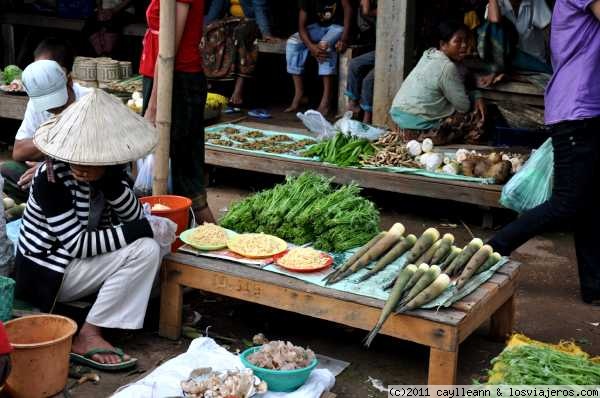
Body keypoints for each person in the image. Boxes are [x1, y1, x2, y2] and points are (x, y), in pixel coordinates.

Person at [15, 83, 176, 369]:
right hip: (46, 274)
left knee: (148, 249)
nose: (81, 164)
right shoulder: (50, 178)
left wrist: (108, 181)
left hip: (77, 265)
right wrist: (145, 229)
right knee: (145, 246)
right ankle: (88, 333)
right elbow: (78, 244)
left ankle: (96, 324)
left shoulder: (111, 174)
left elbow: (133, 215)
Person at [489, 0, 600, 304]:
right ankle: (493, 248)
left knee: (590, 204)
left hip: (587, 108)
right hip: (577, 109)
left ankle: (595, 287)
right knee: (567, 201)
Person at [140, 0, 215, 223]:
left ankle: (211, 236)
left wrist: (154, 105)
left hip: (176, 82)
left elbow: (168, 50)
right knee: (174, 166)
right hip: (163, 79)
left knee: (185, 170)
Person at [1, 39, 90, 203]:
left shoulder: (90, 102)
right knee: (6, 171)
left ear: (68, 79)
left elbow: (95, 160)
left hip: (84, 178)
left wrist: (51, 166)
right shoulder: (37, 100)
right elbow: (19, 151)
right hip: (49, 173)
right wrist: (47, 166)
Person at [389, 20, 487, 145]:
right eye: (458, 41)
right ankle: (467, 147)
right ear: (443, 44)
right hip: (419, 131)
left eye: (465, 40)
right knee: (475, 116)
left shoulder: (428, 54)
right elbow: (463, 106)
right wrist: (476, 96)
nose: (464, 45)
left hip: (399, 125)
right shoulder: (446, 67)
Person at [285, 0, 353, 115]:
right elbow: (301, 27)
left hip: (338, 27)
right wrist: (311, 47)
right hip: (317, 28)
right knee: (292, 42)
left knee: (324, 46)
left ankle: (326, 100)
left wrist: (344, 38)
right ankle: (299, 93)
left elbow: (348, 9)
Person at [203, 0, 276, 106]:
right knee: (211, 32)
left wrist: (265, 33)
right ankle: (210, 85)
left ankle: (238, 89)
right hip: (232, 21)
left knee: (240, 35)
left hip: (254, 21)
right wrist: (205, 27)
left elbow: (259, 9)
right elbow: (214, 11)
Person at [478, 0, 552, 85]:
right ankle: (500, 72)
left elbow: (550, 32)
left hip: (533, 61)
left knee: (551, 74)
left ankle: (510, 75)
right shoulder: (498, 2)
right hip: (508, 62)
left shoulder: (535, 2)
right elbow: (494, 19)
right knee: (493, 28)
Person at [345, 0, 376, 124]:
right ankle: (353, 103)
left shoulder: (386, 7)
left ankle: (367, 117)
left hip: (392, 54)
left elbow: (367, 11)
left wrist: (367, 9)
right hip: (378, 50)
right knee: (354, 64)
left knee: (368, 80)